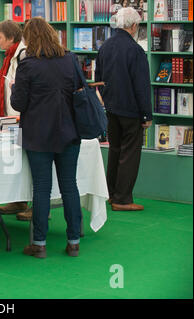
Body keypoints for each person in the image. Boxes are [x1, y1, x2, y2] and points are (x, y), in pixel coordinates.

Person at [10, 17, 83, 258]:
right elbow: (80, 92)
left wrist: (13, 88)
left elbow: (18, 103)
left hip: (37, 134)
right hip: (69, 130)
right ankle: (73, 241)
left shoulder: (27, 64)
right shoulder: (70, 59)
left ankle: (39, 243)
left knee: (41, 188)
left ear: (28, 39)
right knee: (69, 186)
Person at [95, 7, 152, 211]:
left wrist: (107, 100)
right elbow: (142, 85)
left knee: (115, 151)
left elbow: (98, 79)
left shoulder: (105, 47)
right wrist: (146, 114)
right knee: (130, 154)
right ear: (134, 26)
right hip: (131, 110)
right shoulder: (135, 51)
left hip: (111, 108)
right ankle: (123, 199)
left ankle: (111, 194)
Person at [0, 20, 31, 220]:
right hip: (11, 116)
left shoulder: (22, 55)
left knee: (27, 161)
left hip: (20, 117)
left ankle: (33, 202)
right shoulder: (10, 56)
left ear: (10, 37)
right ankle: (18, 200)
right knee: (16, 160)